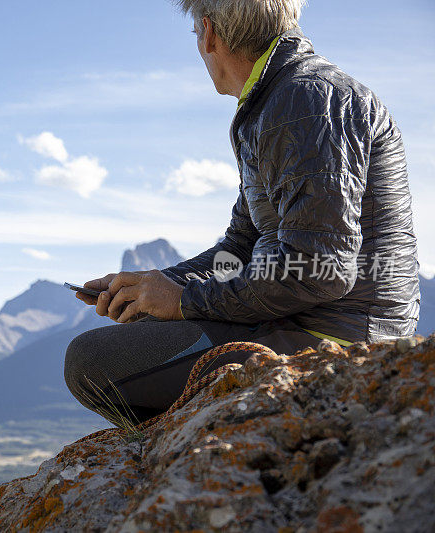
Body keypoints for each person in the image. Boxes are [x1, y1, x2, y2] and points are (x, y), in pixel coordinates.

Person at [64, 0, 420, 425]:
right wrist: (153, 287)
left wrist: (182, 301)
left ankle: (192, 455)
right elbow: (239, 249)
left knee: (89, 361)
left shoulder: (303, 102)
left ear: (209, 33)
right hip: (305, 317)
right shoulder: (276, 99)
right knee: (117, 347)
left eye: (196, 34)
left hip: (336, 335)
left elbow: (320, 271)